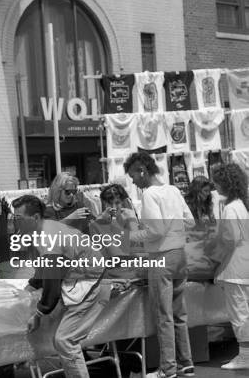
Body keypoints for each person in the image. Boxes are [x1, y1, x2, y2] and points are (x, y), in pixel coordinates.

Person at [15, 195, 109, 378]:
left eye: (19, 218)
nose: (15, 222)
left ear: (34, 218)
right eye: (14, 217)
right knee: (62, 341)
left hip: (93, 283)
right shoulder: (45, 229)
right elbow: (47, 270)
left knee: (65, 341)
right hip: (88, 281)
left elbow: (52, 284)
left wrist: (39, 313)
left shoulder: (48, 236)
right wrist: (30, 287)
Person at [121, 152, 195, 378]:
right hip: (180, 255)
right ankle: (186, 363)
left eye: (133, 176)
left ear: (141, 171)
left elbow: (156, 230)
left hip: (161, 258)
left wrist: (133, 232)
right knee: (179, 313)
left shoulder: (150, 195)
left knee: (164, 315)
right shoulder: (173, 190)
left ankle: (168, 369)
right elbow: (190, 221)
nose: (132, 181)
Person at [208, 163, 249, 370]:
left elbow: (230, 240)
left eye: (216, 183)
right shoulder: (240, 204)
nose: (215, 188)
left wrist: (216, 263)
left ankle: (245, 356)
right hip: (244, 265)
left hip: (235, 268)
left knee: (239, 314)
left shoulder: (231, 208)